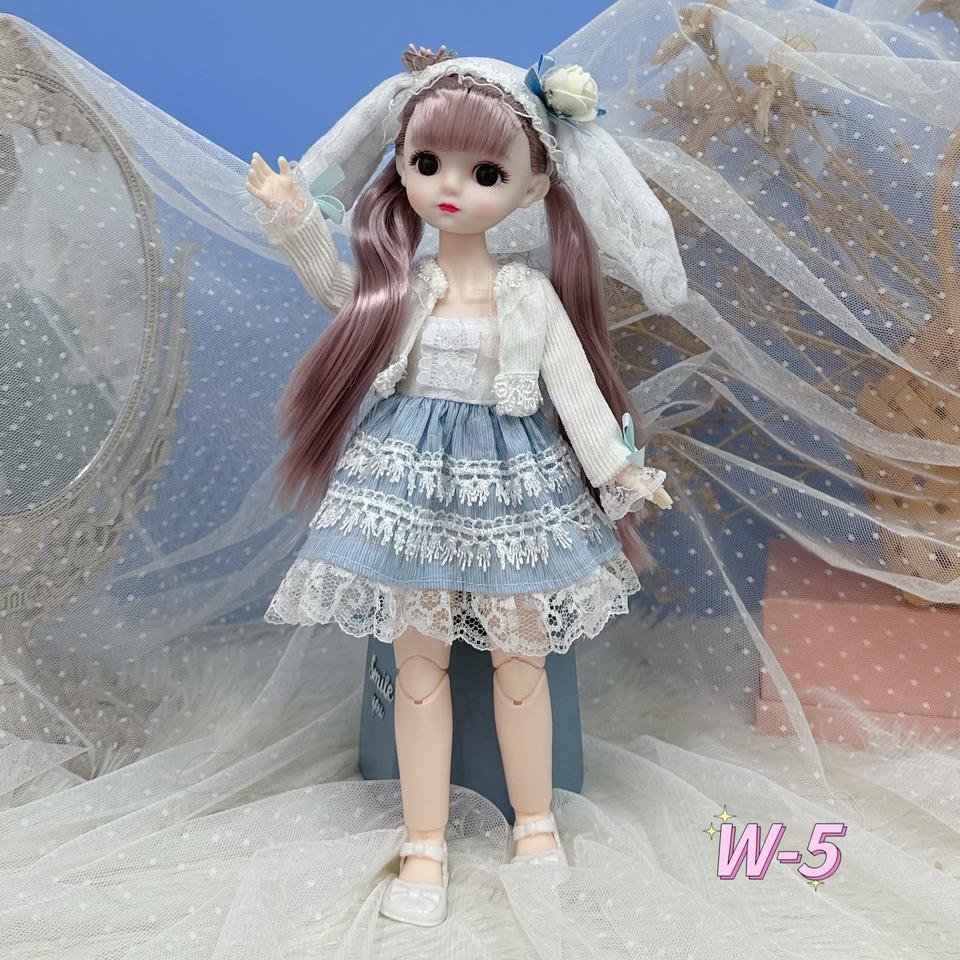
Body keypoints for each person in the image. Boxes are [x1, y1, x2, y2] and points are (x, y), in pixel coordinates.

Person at [244, 46, 684, 927]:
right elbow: (337, 288)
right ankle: (425, 843)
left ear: (531, 188)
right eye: (426, 163)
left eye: (486, 173)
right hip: (408, 486)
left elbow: (577, 392)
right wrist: (295, 219)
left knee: (522, 661)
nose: (451, 187)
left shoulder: (530, 295)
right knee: (419, 668)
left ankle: (534, 826)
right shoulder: (404, 287)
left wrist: (619, 469)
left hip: (511, 487)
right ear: (403, 166)